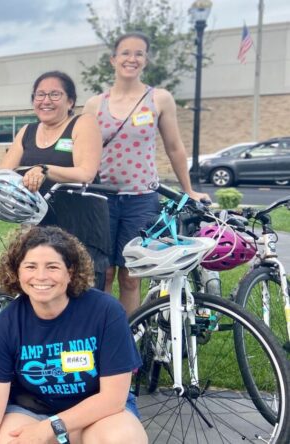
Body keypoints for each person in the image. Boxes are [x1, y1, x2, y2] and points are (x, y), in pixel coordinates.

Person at [0, 226, 146, 444]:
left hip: (97, 414)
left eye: (52, 267)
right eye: (31, 267)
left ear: (70, 272)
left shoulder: (106, 312)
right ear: (17, 272)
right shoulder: (5, 325)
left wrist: (51, 427)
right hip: (30, 411)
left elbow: (113, 398)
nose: (41, 276)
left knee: (121, 438)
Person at [82, 32, 209, 314]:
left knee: (130, 276)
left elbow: (174, 147)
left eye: (139, 53)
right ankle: (102, 336)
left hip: (141, 200)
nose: (132, 58)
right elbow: (81, 149)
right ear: (113, 59)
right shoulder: (94, 104)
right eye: (125, 53)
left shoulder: (159, 99)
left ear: (146, 60)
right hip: (101, 199)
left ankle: (128, 342)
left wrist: (188, 190)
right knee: (102, 275)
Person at [0, 71, 110, 291]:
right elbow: (6, 170)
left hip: (81, 224)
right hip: (40, 225)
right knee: (43, 290)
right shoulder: (27, 131)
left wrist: (44, 169)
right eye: (40, 95)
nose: (46, 101)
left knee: (81, 293)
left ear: (70, 101)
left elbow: (86, 172)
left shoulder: (82, 123)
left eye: (54, 94)